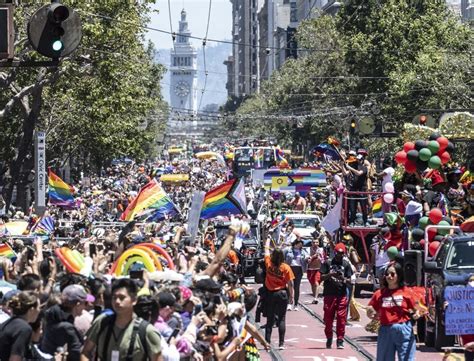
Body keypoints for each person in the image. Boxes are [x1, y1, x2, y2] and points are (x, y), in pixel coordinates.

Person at [81, 278, 162, 361]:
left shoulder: (146, 331)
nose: (117, 301)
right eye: (114, 297)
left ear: (134, 300)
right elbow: (86, 352)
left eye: (122, 297)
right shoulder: (102, 322)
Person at [366, 263, 420, 361]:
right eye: (387, 274)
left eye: (392, 274)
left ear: (399, 276)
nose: (389, 276)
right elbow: (370, 308)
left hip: (403, 329)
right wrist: (370, 313)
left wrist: (417, 313)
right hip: (386, 330)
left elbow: (418, 308)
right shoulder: (379, 294)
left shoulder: (407, 292)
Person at [41, 284, 94, 361]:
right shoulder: (67, 327)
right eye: (85, 303)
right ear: (78, 304)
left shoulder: (55, 315)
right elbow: (78, 352)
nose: (86, 306)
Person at [263, 236, 295, 350]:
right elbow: (290, 283)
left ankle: (267, 342)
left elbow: (266, 250)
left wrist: (268, 238)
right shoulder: (286, 267)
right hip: (282, 294)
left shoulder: (268, 263)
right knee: (282, 318)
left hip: (271, 294)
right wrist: (292, 296)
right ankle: (281, 344)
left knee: (269, 319)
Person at [320, 243, 353, 349]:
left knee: (341, 318)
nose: (340, 255)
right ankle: (329, 337)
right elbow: (320, 277)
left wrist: (343, 278)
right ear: (335, 252)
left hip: (341, 294)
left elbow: (350, 281)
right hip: (329, 295)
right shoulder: (327, 263)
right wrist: (331, 274)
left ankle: (340, 340)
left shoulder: (346, 264)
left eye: (342, 253)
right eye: (338, 253)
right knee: (328, 319)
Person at [0, 291, 41, 361]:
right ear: (31, 310)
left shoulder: (9, 323)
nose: (39, 310)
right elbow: (15, 358)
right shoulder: (24, 329)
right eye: (39, 307)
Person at [284, 239, 308, 311]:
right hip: (290, 269)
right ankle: (289, 303)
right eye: (299, 244)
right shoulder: (288, 250)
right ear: (295, 244)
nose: (301, 245)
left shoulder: (303, 251)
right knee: (289, 286)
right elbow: (282, 256)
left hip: (299, 270)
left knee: (297, 287)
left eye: (301, 244)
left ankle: (296, 304)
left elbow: (307, 257)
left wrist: (308, 259)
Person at [307, 236, 325, 304]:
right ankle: (314, 297)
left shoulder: (321, 250)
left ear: (319, 243)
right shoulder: (308, 250)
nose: (315, 243)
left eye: (316, 242)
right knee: (312, 284)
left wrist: (319, 258)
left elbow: (323, 259)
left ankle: (315, 298)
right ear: (311, 243)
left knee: (316, 283)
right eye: (313, 242)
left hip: (318, 268)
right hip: (310, 269)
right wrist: (312, 257)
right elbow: (306, 259)